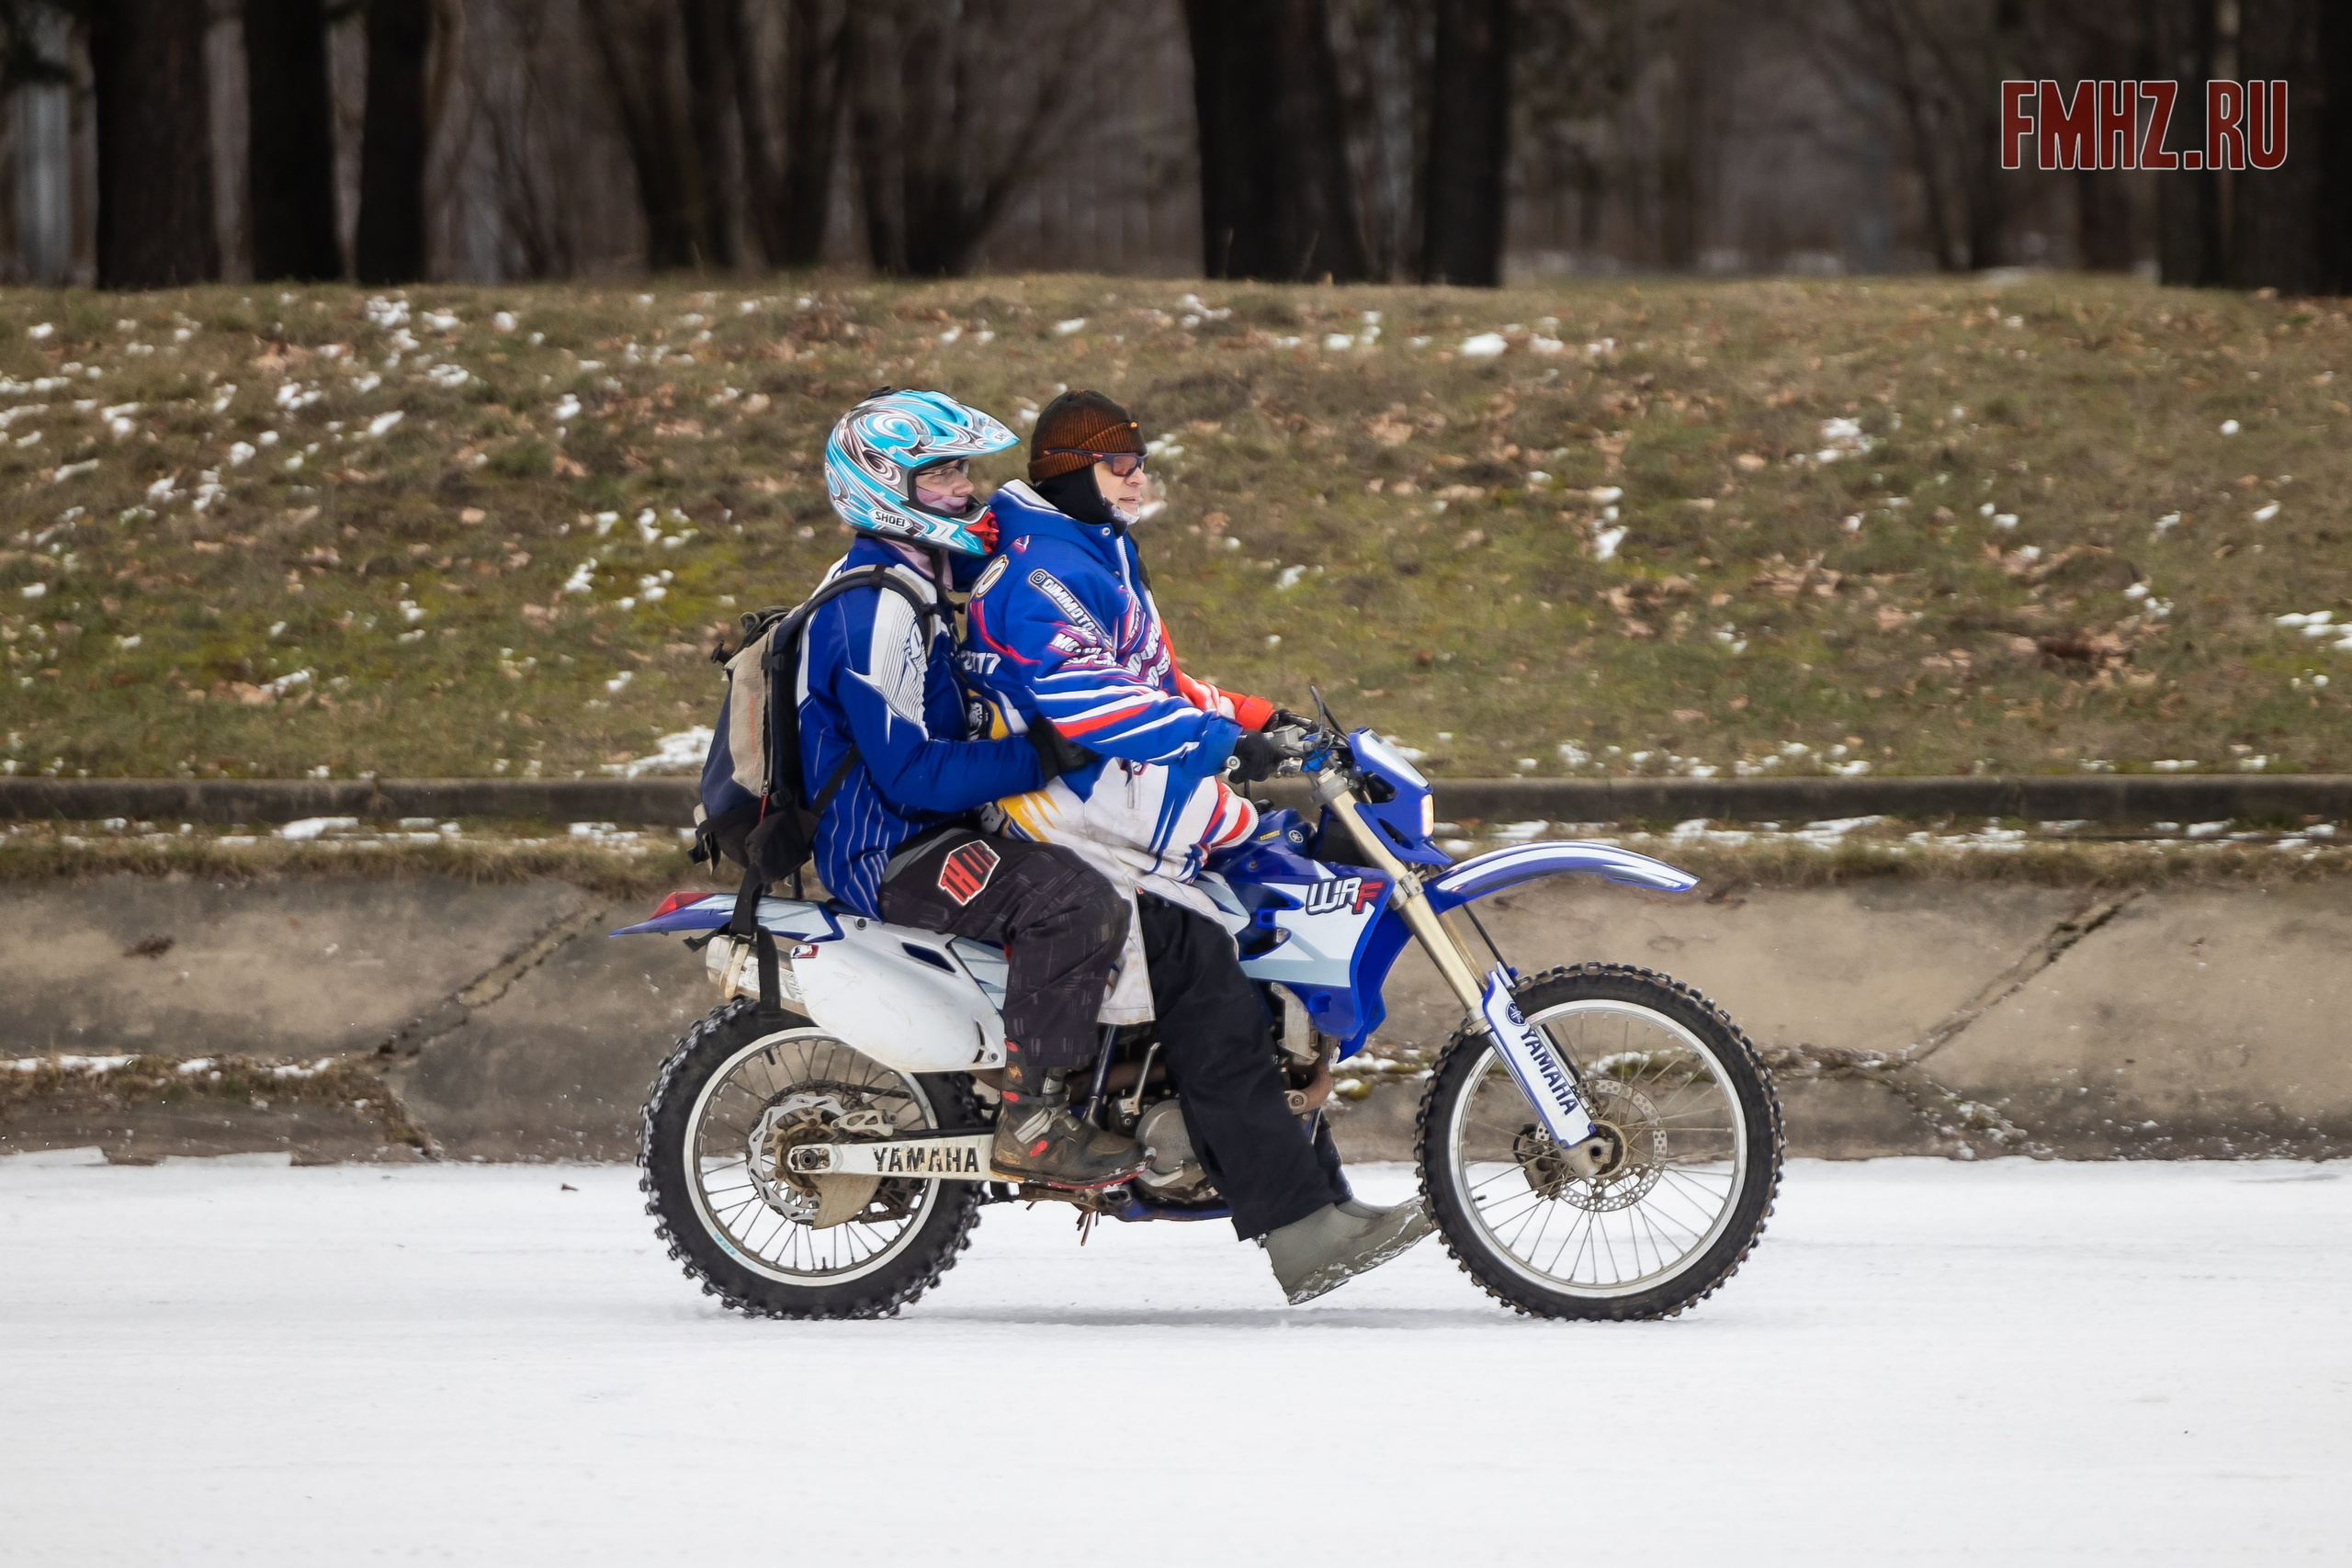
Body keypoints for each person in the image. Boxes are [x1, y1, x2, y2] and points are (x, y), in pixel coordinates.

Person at [961, 389, 1432, 1303]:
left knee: (1259, 927)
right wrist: (1231, 749)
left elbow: (1159, 682)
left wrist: (1272, 724)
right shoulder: (1037, 576)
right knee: (1208, 969)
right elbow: (1095, 703)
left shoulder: (1093, 552)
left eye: (1140, 460)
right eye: (1121, 463)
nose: (1139, 476)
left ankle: (1317, 1196)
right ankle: (1299, 1229)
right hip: (1065, 816)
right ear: (1073, 472)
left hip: (1112, 804)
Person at [799, 389, 1142, 1190]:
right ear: (884, 485)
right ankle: (1033, 1120)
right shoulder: (874, 610)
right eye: (940, 475)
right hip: (889, 850)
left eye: (963, 469)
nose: (963, 489)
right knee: (1075, 900)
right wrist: (1044, 755)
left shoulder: (915, 580)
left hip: (930, 825)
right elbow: (909, 773)